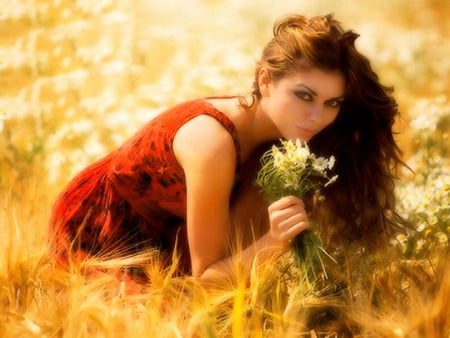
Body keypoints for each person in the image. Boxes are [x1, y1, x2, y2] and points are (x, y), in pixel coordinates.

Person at [48, 13, 407, 284]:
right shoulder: (212, 142)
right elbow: (207, 279)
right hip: (99, 230)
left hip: (167, 235)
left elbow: (228, 261)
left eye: (332, 103)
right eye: (304, 95)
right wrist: (275, 241)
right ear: (265, 81)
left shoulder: (281, 145)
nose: (317, 116)